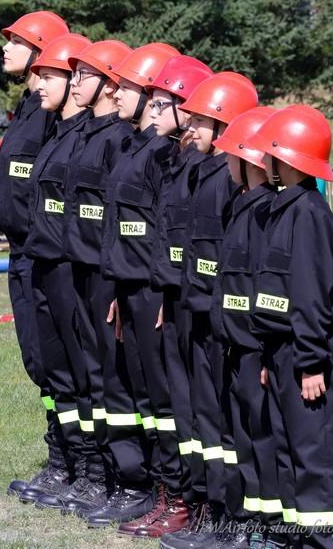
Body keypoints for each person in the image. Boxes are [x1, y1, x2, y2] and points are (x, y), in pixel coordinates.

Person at [248, 105, 333, 549]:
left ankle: (327, 542)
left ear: (287, 158)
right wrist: (269, 355)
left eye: (269, 153)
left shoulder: (309, 213)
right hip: (284, 350)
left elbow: (310, 294)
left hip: (308, 352)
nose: (263, 161)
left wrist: (311, 361)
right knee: (290, 450)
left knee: (317, 454)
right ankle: (300, 538)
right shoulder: (284, 209)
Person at [29, 40, 134, 515]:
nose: (75, 83)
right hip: (63, 266)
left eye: (84, 75)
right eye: (72, 75)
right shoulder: (80, 133)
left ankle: (109, 474)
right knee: (71, 372)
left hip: (93, 272)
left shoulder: (116, 139)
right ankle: (85, 469)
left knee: (98, 375)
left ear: (110, 83)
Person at [160, 72, 259, 549]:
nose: (190, 127)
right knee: (203, 418)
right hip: (195, 311)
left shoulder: (230, 180)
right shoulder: (202, 170)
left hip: (220, 320)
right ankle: (212, 509)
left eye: (200, 120)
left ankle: (234, 518)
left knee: (225, 421)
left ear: (225, 124)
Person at [118, 54, 213, 538]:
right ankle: (168, 495)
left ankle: (187, 501)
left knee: (180, 406)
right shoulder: (169, 159)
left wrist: (162, 295)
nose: (152, 113)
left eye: (162, 105)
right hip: (155, 292)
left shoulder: (202, 171)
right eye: (151, 103)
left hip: (177, 301)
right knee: (155, 400)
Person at [89, 42, 181, 530]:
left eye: (125, 86)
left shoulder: (162, 153)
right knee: (143, 396)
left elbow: (165, 229)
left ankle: (177, 497)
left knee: (162, 398)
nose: (116, 93)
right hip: (129, 288)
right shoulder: (135, 146)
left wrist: (160, 291)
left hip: (151, 290)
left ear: (150, 94)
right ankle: (157, 492)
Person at [0, 11, 70, 498]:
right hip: (21, 252)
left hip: (43, 254)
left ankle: (70, 462)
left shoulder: (52, 115)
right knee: (37, 361)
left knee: (54, 360)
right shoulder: (28, 107)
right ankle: (61, 456)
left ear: (42, 51)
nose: (5, 47)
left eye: (16, 40)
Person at [18, 33, 93, 506]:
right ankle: (68, 464)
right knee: (55, 370)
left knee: (82, 373)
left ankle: (92, 470)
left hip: (70, 269)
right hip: (42, 262)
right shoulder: (56, 132)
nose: (39, 84)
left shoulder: (87, 138)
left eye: (48, 76)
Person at [209, 106, 281, 549]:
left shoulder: (265, 214)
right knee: (243, 440)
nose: (225, 163)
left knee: (263, 441)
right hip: (236, 346)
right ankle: (250, 525)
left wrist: (265, 350)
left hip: (255, 350)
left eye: (230, 155)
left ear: (248, 159)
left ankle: (270, 529)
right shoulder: (243, 207)